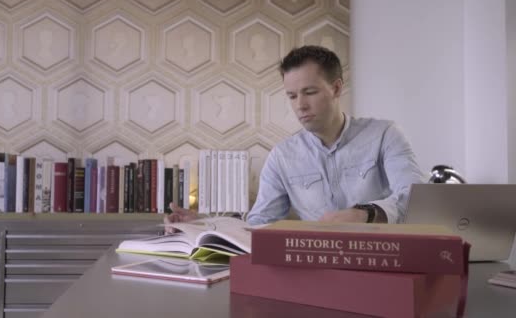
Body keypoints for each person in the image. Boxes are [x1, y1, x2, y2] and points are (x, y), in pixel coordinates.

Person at [166, 45, 425, 229]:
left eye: (309, 92)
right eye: (291, 96)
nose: (299, 105)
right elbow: (259, 224)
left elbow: (418, 201)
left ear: (336, 88)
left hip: (387, 263)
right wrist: (206, 224)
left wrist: (368, 214)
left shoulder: (384, 135)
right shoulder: (282, 156)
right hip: (318, 269)